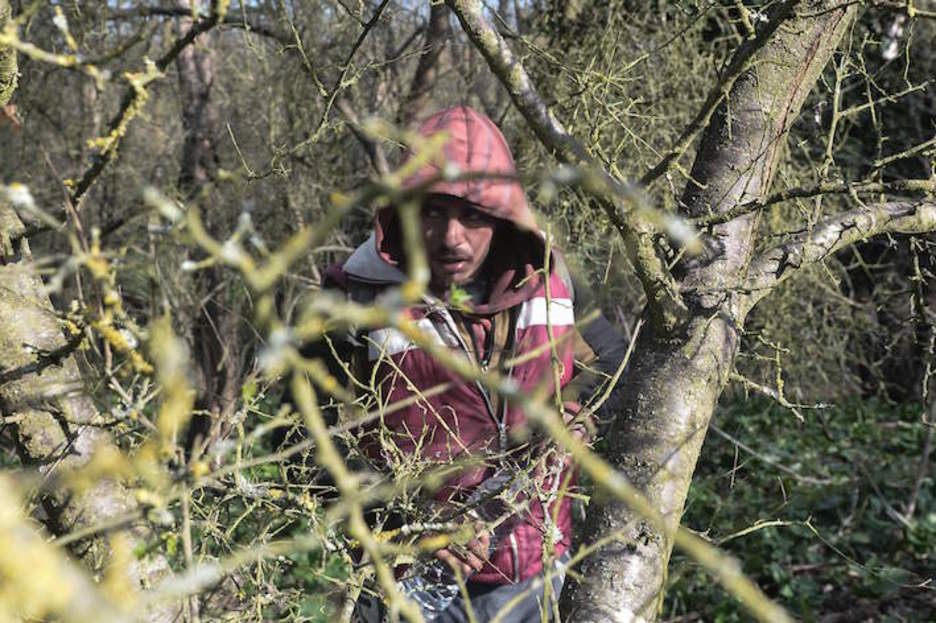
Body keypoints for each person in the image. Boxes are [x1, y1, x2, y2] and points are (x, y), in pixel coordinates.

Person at [314, 106, 627, 622]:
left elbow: (616, 363)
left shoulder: (547, 277)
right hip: (408, 581)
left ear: (503, 214)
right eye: (433, 211)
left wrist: (579, 416)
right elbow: (308, 443)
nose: (451, 237)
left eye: (474, 214)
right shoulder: (354, 297)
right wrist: (410, 523)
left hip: (532, 577)